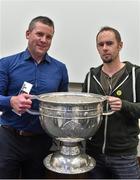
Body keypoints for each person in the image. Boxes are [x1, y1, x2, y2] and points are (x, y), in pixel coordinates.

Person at [0, 16, 69, 179]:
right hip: (9, 139)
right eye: (39, 34)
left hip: (41, 141)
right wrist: (11, 101)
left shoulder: (60, 69)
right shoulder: (6, 63)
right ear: (28, 34)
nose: (44, 40)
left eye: (49, 37)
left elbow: (62, 106)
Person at [82, 26, 140, 179]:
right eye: (100, 45)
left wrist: (124, 105)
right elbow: (83, 113)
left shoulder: (136, 75)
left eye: (109, 43)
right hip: (94, 155)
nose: (105, 48)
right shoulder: (91, 76)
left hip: (124, 157)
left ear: (120, 45)